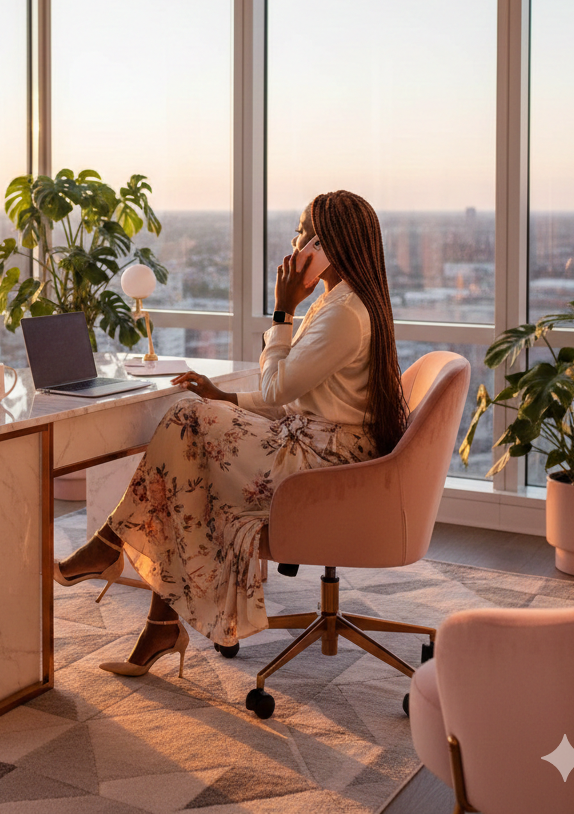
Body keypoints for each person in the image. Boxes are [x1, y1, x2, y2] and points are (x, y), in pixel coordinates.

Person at [53, 189, 407, 678]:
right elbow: (296, 390)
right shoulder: (339, 301)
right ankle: (154, 612)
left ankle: (114, 550)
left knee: (185, 422)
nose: (294, 242)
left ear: (325, 246)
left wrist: (282, 312)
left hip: (323, 465)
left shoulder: (345, 313)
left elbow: (280, 387)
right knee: (187, 461)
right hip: (314, 444)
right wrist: (227, 400)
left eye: (302, 233)